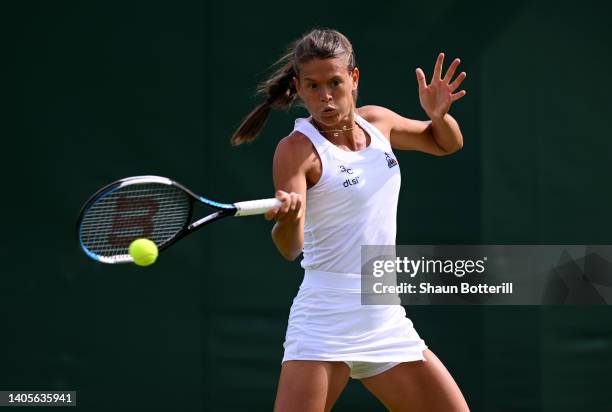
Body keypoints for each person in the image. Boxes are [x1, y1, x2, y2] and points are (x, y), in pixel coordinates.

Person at [231, 29, 470, 412]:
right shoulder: (296, 150)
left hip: (383, 311)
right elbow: (289, 248)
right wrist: (289, 219)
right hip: (327, 315)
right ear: (298, 87)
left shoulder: (379, 123)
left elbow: (447, 143)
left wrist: (439, 117)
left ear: (353, 79)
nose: (325, 97)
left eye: (334, 83)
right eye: (312, 86)